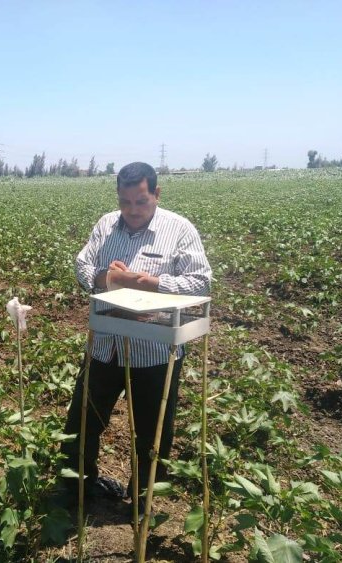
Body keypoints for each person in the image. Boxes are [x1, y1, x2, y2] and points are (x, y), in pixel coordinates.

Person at [60, 162, 211, 508]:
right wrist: (107, 280)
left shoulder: (179, 230)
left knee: (152, 434)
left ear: (157, 194)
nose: (132, 211)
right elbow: (82, 266)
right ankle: (76, 488)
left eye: (141, 202)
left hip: (155, 352)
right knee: (82, 422)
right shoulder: (105, 226)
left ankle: (142, 500)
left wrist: (152, 284)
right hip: (104, 346)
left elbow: (200, 281)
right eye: (125, 202)